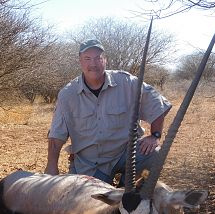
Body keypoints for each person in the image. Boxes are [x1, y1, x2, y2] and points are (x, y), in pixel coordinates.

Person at [44, 39, 172, 185]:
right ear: (80, 61)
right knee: (86, 203)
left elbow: (157, 103)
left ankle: (127, 190)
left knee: (155, 154)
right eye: (87, 59)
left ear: (105, 60)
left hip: (127, 153)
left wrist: (155, 136)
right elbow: (56, 136)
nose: (93, 64)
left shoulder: (127, 82)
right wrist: (51, 166)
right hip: (90, 163)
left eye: (98, 58)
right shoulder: (68, 94)